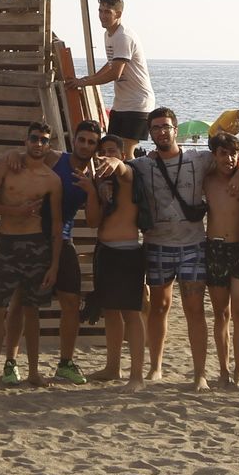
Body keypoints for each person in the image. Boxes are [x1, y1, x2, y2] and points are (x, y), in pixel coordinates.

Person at [0, 119, 105, 385]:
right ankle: (11, 363)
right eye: (82, 140)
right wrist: (12, 155)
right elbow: (30, 153)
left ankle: (65, 363)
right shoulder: (56, 158)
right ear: (74, 140)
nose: (86, 145)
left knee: (71, 302)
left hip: (61, 239)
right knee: (20, 302)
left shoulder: (93, 175)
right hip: (31, 236)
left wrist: (90, 191)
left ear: (95, 147)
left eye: (91, 142)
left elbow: (92, 221)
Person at [130, 107, 218, 390]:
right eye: (155, 128)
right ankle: (156, 367)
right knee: (159, 307)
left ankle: (199, 373)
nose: (161, 132)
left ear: (176, 129)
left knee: (194, 308)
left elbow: (235, 159)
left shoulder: (198, 159)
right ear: (150, 133)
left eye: (166, 126)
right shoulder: (143, 165)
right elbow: (120, 165)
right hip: (157, 244)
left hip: (193, 243)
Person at [0, 121, 63, 390]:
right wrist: (16, 212)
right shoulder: (8, 165)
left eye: (44, 140)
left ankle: (34, 371)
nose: (38, 144)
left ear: (49, 145)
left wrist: (54, 265)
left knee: (32, 310)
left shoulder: (52, 179)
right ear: (25, 140)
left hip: (37, 247)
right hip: (7, 244)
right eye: (34, 138)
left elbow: (57, 224)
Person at [89, 134, 146, 389]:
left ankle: (137, 376)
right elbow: (94, 220)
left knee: (131, 314)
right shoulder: (102, 181)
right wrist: (94, 192)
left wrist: (116, 163)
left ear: (122, 154)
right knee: (110, 312)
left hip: (127, 251)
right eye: (102, 152)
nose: (106, 156)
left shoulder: (127, 174)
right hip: (105, 250)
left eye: (111, 151)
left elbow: (123, 170)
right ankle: (113, 367)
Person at [69, 0, 154, 158]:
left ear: (119, 14)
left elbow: (116, 73)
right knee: (110, 147)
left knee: (126, 151)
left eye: (107, 12)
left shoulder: (123, 36)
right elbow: (111, 63)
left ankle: (131, 182)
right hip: (121, 103)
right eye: (100, 11)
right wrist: (88, 78)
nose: (102, 16)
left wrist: (85, 83)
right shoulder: (108, 35)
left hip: (138, 103)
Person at [202, 132, 239, 387]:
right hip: (215, 250)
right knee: (220, 313)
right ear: (215, 155)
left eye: (234, 153)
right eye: (224, 153)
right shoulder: (206, 179)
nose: (230, 158)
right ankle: (223, 370)